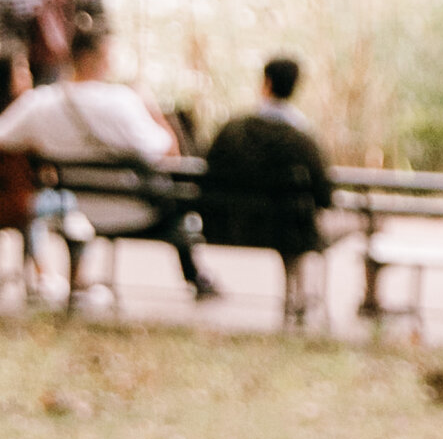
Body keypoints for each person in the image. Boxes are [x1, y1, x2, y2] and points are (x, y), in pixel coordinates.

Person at [0, 19, 217, 302]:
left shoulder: (40, 103)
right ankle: (197, 277)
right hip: (134, 211)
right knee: (176, 204)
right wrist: (151, 107)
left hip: (74, 210)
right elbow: (169, 154)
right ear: (99, 57)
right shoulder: (122, 100)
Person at [198, 57, 336, 326]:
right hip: (288, 232)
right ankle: (299, 301)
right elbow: (324, 195)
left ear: (266, 83)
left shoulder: (232, 130)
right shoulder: (302, 138)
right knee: (298, 221)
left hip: (227, 225)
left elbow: (206, 176)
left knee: (291, 219)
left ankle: (295, 299)